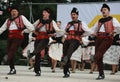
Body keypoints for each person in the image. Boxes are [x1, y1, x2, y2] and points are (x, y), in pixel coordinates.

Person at [0, 6, 35, 75]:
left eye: (15, 11)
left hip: (18, 37)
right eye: (12, 11)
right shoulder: (8, 20)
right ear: (11, 12)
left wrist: (28, 31)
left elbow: (30, 26)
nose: (14, 13)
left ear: (17, 12)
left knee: (12, 50)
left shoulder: (21, 17)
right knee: (10, 52)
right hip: (10, 37)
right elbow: (2, 29)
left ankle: (6, 57)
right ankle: (12, 69)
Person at [61, 7, 92, 78]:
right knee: (66, 53)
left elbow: (89, 31)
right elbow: (64, 31)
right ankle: (66, 72)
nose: (73, 16)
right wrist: (63, 36)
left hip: (76, 40)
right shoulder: (68, 23)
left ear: (77, 15)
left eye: (74, 14)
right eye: (72, 14)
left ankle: (65, 59)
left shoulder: (81, 23)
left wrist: (82, 35)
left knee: (70, 51)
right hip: (67, 40)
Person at [33, 7, 65, 76]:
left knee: (37, 50)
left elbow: (57, 30)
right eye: (43, 12)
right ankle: (37, 70)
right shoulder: (39, 20)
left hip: (45, 38)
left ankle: (31, 54)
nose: (43, 13)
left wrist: (64, 32)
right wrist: (28, 31)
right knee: (37, 55)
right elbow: (32, 26)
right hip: (38, 37)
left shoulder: (52, 21)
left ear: (48, 14)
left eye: (45, 12)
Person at [92, 4, 120, 80]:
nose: (103, 11)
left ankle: (93, 59)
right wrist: (91, 33)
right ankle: (101, 74)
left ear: (108, 11)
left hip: (107, 38)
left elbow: (118, 27)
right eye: (102, 10)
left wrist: (113, 32)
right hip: (98, 38)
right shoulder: (99, 20)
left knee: (99, 52)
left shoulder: (112, 19)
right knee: (99, 57)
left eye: (105, 9)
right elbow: (93, 29)